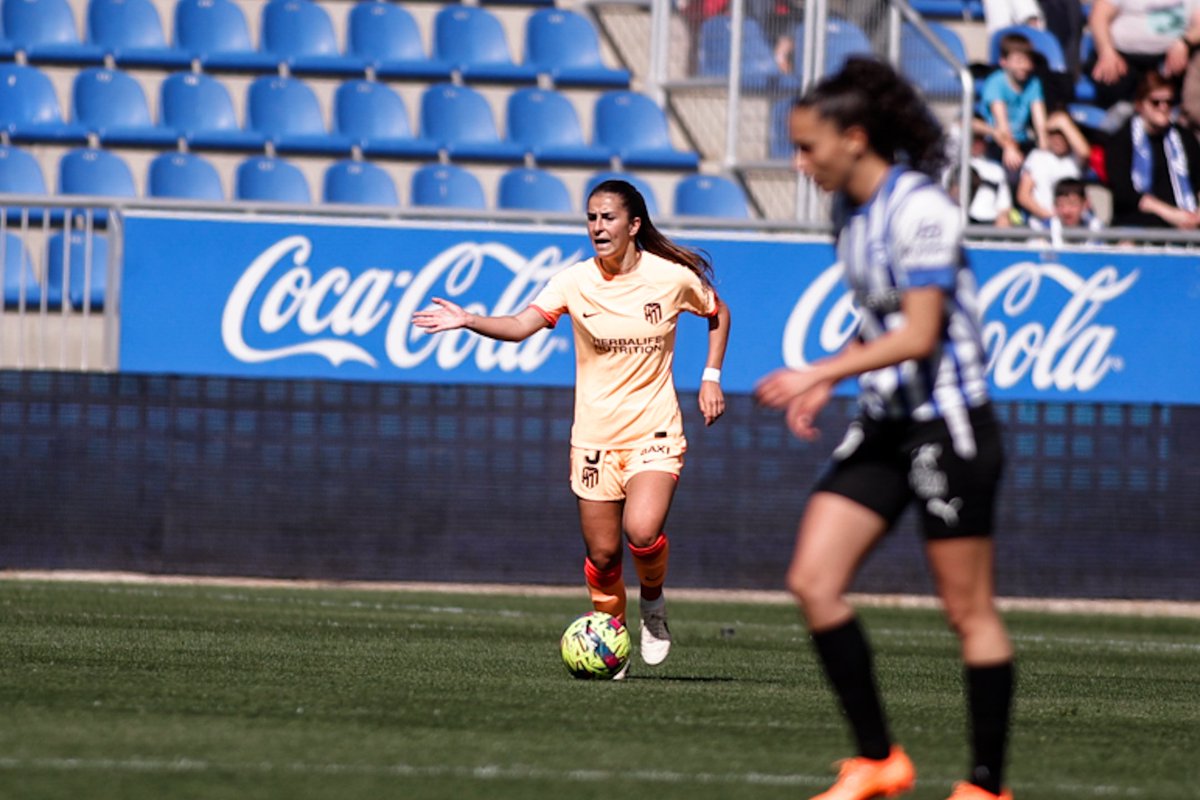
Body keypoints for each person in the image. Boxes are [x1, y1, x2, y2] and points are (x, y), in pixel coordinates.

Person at [756, 57, 1015, 800]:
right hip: (887, 423)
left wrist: (816, 373)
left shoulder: (921, 209)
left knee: (968, 612)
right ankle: (879, 761)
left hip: (949, 427)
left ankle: (986, 786)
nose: (800, 162)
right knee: (814, 580)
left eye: (808, 147)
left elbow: (921, 333)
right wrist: (836, 375)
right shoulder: (849, 213)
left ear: (855, 138)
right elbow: (881, 324)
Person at [413, 179, 731, 675]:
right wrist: (469, 319)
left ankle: (653, 605)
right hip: (594, 438)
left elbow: (717, 311)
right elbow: (522, 325)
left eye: (607, 218)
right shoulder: (573, 281)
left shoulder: (670, 278)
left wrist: (711, 376)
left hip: (655, 429)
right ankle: (611, 636)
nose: (598, 227)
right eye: (591, 218)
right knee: (603, 556)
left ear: (634, 225)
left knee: (642, 532)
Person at [1103, 70, 1200, 228]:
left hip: (1185, 222)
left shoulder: (1185, 138)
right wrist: (1171, 214)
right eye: (1156, 102)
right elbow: (1124, 193)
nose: (1163, 107)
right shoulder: (1121, 140)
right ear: (1140, 105)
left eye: (1169, 102)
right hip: (1138, 222)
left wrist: (1195, 216)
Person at [1087, 0, 1200, 110]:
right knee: (1109, 79)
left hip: (1172, 56)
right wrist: (1106, 52)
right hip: (1122, 56)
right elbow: (1098, 18)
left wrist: (1185, 42)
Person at [978, 32, 1050, 177]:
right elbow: (1001, 123)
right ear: (1003, 62)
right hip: (997, 141)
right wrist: (1009, 147)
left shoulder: (1033, 83)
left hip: (1022, 140)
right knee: (1013, 171)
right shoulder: (996, 82)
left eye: (1028, 61)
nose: (1025, 66)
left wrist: (1045, 153)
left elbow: (1040, 123)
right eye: (1018, 61)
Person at [1015, 109, 1092, 226]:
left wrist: (1064, 123)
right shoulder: (1037, 157)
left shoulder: (1075, 158)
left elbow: (1085, 152)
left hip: (1074, 224)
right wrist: (1049, 217)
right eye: (1053, 135)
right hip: (1042, 224)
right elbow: (1023, 196)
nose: (1057, 140)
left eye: (1061, 135)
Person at [1046, 177, 1106, 244]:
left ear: (1085, 204)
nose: (1066, 211)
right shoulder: (1045, 229)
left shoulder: (1096, 228)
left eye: (1072, 204)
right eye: (1061, 205)